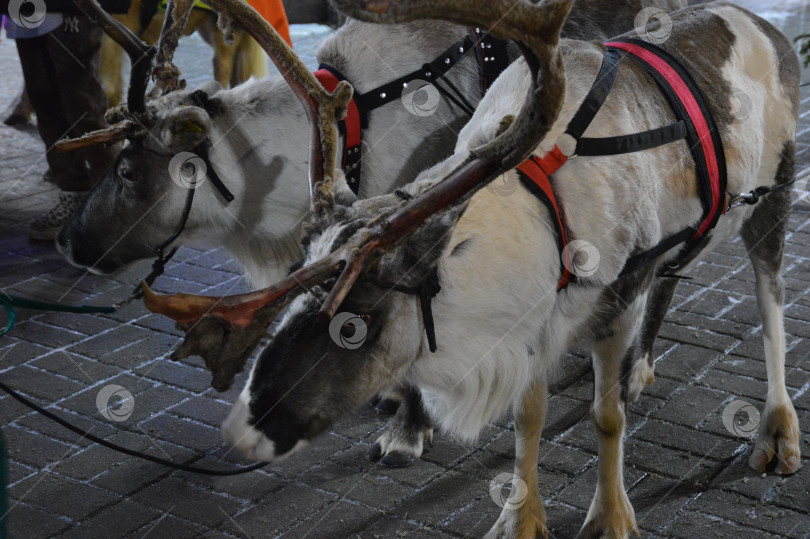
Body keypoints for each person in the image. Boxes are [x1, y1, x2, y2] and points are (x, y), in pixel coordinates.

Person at [3, 0, 129, 241]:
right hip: (25, 7)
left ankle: (113, 203)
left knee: (82, 103)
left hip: (72, 8)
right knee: (44, 100)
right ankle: (73, 191)